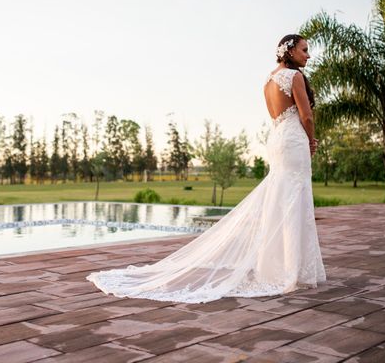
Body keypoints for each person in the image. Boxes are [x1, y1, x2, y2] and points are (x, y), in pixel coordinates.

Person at [86, 34, 326, 303]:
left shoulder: (268, 81)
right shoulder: (293, 78)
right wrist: (311, 140)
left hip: (277, 139)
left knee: (280, 199)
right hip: (293, 139)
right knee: (294, 198)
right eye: (305, 50)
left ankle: (276, 267)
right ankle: (291, 270)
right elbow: (305, 115)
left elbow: (277, 116)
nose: (308, 55)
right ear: (290, 51)